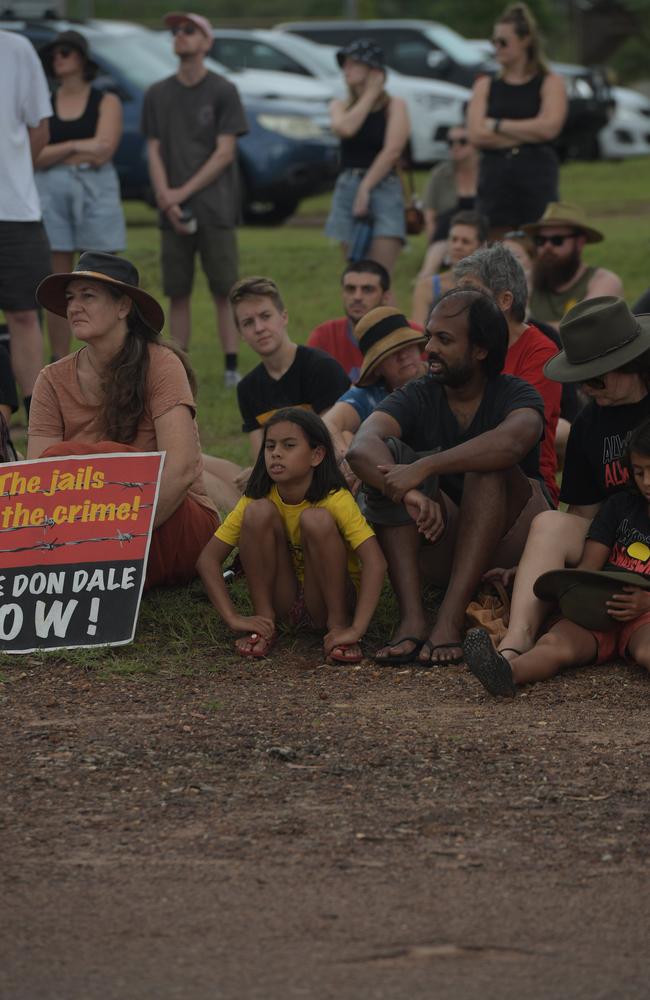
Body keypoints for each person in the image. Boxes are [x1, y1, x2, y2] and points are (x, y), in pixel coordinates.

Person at [346, 287, 549, 667]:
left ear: (481, 350)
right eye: (430, 336)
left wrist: (426, 468)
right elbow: (361, 446)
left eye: (444, 339)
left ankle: (449, 620)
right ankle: (412, 618)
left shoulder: (515, 393)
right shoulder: (418, 394)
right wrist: (409, 493)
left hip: (513, 545)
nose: (429, 349)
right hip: (447, 540)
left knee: (486, 469)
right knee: (385, 464)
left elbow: (512, 442)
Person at [27, 251, 219, 588]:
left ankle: (96, 570)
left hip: (168, 519)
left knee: (121, 466)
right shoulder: (51, 379)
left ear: (123, 307)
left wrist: (122, 538)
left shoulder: (162, 364)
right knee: (54, 465)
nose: (74, 307)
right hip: (88, 525)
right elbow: (38, 480)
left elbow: (181, 469)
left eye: (88, 296)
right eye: (71, 298)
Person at [494, 296, 650, 662]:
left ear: (627, 363)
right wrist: (543, 562)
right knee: (549, 522)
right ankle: (516, 642)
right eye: (580, 380)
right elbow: (583, 513)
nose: (585, 391)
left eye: (594, 378)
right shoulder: (587, 424)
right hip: (613, 539)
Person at [464, 417, 650, 697]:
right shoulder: (620, 506)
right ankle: (506, 672)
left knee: (647, 650)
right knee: (554, 645)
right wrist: (579, 597)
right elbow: (589, 566)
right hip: (602, 608)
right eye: (638, 472)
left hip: (645, 612)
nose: (646, 481)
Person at [196, 408, 386, 661]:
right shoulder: (258, 495)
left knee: (315, 519)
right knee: (257, 513)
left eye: (289, 445)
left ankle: (338, 626)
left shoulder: (335, 499)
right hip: (283, 602)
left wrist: (356, 629)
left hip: (327, 600)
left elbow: (375, 562)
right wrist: (232, 618)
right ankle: (264, 624)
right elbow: (207, 560)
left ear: (317, 455)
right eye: (270, 445)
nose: (276, 453)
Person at [141, 11, 248, 384]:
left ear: (206, 41)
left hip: (214, 206)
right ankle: (179, 368)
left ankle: (231, 366)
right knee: (177, 291)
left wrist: (181, 192)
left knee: (225, 289)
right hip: (171, 208)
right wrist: (165, 198)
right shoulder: (157, 93)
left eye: (189, 30)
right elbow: (153, 149)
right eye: (175, 30)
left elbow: (224, 152)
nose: (180, 36)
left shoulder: (223, 90)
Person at [36, 30, 126, 361]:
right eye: (54, 54)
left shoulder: (106, 100)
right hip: (51, 193)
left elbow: (103, 151)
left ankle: (108, 356)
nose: (58, 58)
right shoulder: (44, 102)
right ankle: (59, 362)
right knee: (59, 282)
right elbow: (35, 155)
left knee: (103, 277)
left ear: (82, 59)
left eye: (65, 52)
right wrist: (77, 145)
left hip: (95, 190)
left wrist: (56, 153)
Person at [454, 244, 561, 504]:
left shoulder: (540, 352)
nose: (459, 304)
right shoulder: (463, 346)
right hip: (460, 474)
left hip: (526, 484)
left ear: (505, 300)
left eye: (471, 292)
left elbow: (513, 436)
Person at [467, 2, 567, 236]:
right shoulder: (485, 84)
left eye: (503, 42)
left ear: (525, 40)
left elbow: (550, 128)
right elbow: (476, 134)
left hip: (536, 179)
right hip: (495, 181)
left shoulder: (550, 82)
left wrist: (498, 125)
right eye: (494, 42)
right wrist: (527, 135)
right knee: (494, 250)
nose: (497, 48)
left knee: (539, 242)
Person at [231, 277, 350, 465]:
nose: (259, 328)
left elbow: (334, 443)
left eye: (265, 316)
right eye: (248, 323)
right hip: (278, 478)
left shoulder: (322, 367)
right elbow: (260, 458)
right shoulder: (247, 388)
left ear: (284, 317)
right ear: (241, 334)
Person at [0, 30, 51, 420]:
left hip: (14, 210)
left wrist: (13, 174)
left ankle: (37, 416)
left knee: (23, 313)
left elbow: (40, 129)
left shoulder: (16, 49)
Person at [326, 39, 410, 276]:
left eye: (354, 64)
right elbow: (346, 129)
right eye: (345, 64)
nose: (346, 69)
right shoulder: (339, 106)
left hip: (384, 187)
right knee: (355, 275)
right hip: (347, 187)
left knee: (380, 275)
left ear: (375, 71)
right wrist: (369, 95)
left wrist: (366, 187)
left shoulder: (396, 106)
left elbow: (392, 150)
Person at [323, 306, 428, 464]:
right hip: (386, 477)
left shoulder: (442, 378)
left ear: (418, 346)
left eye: (407, 344)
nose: (403, 355)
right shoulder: (370, 393)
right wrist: (347, 459)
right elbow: (328, 424)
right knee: (347, 437)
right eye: (391, 352)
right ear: (376, 367)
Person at [524, 202, 624, 326]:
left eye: (557, 240)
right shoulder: (525, 280)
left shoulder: (602, 281)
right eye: (541, 240)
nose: (547, 247)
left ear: (580, 243)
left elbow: (583, 328)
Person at [307, 259, 391, 381]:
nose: (357, 297)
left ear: (386, 297)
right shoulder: (324, 336)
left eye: (367, 289)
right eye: (350, 289)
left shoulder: (412, 336)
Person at [419, 124, 479, 279]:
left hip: (480, 231)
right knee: (447, 221)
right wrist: (431, 244)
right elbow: (430, 216)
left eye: (462, 141)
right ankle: (426, 276)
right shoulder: (440, 173)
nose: (456, 146)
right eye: (450, 142)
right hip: (446, 233)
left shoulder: (487, 172)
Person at [410, 211, 488, 328]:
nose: (457, 246)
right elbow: (418, 333)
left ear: (482, 247)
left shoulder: (491, 288)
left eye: (465, 241)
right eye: (454, 239)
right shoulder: (427, 287)